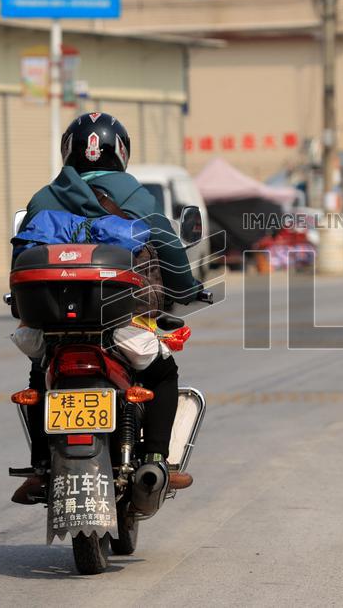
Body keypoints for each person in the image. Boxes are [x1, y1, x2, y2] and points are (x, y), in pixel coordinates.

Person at [10, 112, 202, 504]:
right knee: (163, 373)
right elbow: (169, 250)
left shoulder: (43, 198)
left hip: (53, 328)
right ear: (121, 152)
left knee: (38, 371)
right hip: (122, 324)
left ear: (69, 150)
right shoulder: (135, 196)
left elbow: (19, 264)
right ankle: (156, 458)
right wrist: (190, 288)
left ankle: (39, 465)